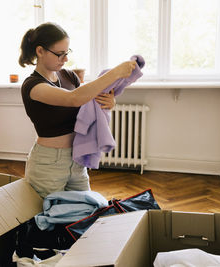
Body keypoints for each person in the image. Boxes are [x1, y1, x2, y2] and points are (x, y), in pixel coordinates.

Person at [19, 22, 136, 198]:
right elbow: (73, 99)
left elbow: (88, 103)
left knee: (85, 214)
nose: (65, 59)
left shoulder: (69, 76)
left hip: (77, 158)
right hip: (48, 163)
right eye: (59, 54)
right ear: (40, 51)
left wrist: (109, 102)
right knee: (46, 218)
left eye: (67, 53)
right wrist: (115, 73)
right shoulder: (32, 85)